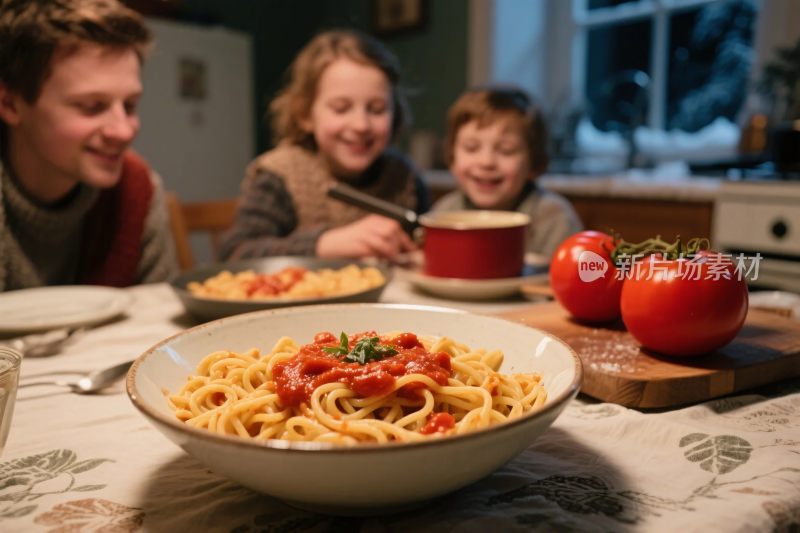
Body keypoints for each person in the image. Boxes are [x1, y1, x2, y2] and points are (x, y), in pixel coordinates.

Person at [0, 0, 178, 292]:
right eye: (91, 106)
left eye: (130, 105)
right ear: (10, 104)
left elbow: (159, 323)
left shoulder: (137, 189)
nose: (123, 131)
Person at [218, 29, 429, 262]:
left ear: (395, 114)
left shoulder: (405, 179)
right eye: (341, 108)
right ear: (305, 115)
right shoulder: (280, 176)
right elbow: (236, 254)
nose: (361, 125)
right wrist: (323, 244)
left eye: (377, 109)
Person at [432, 86, 582, 258]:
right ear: (452, 155)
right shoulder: (444, 212)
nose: (486, 162)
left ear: (533, 162)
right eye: (471, 148)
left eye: (506, 150)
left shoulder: (554, 218)